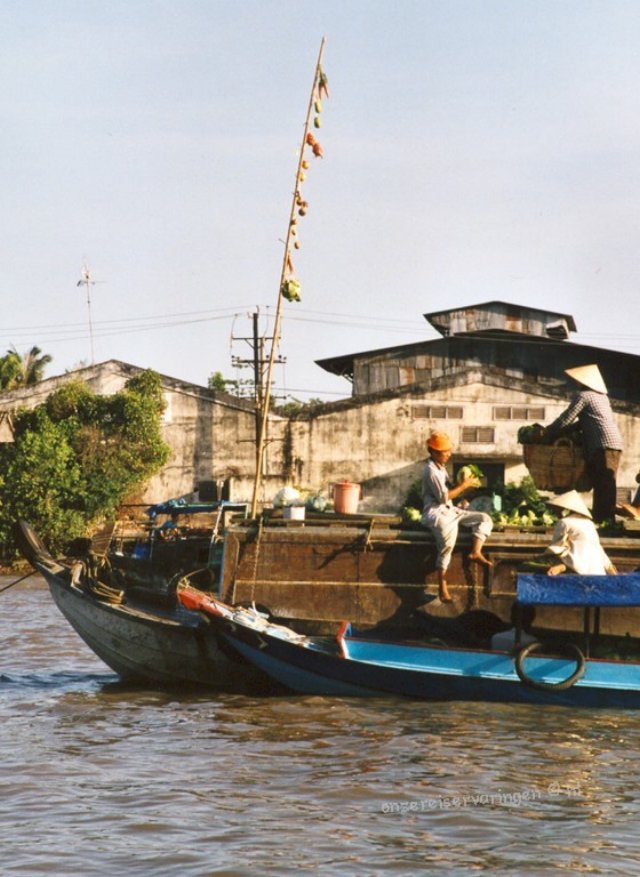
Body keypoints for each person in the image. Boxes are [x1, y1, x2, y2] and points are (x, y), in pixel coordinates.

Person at [543, 364, 622, 524]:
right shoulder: (602, 398)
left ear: (584, 382)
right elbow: (582, 423)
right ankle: (604, 519)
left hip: (603, 445)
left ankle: (604, 520)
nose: (576, 383)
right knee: (604, 483)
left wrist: (548, 432)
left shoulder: (585, 396)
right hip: (611, 444)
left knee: (603, 484)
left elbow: (566, 418)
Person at [421, 431, 493, 603]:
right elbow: (443, 497)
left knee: (484, 519)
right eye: (445, 451)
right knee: (447, 545)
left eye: (448, 451)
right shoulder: (430, 470)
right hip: (436, 513)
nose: (448, 454)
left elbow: (449, 495)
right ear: (434, 452)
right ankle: (442, 586)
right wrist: (463, 485)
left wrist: (462, 495)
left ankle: (475, 552)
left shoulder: (441, 468)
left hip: (450, 510)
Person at [543, 490, 617, 576]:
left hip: (577, 571)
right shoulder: (589, 523)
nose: (556, 512)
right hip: (597, 571)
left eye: (558, 509)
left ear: (566, 510)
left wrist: (556, 564)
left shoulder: (564, 522)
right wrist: (608, 565)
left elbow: (556, 548)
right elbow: (597, 547)